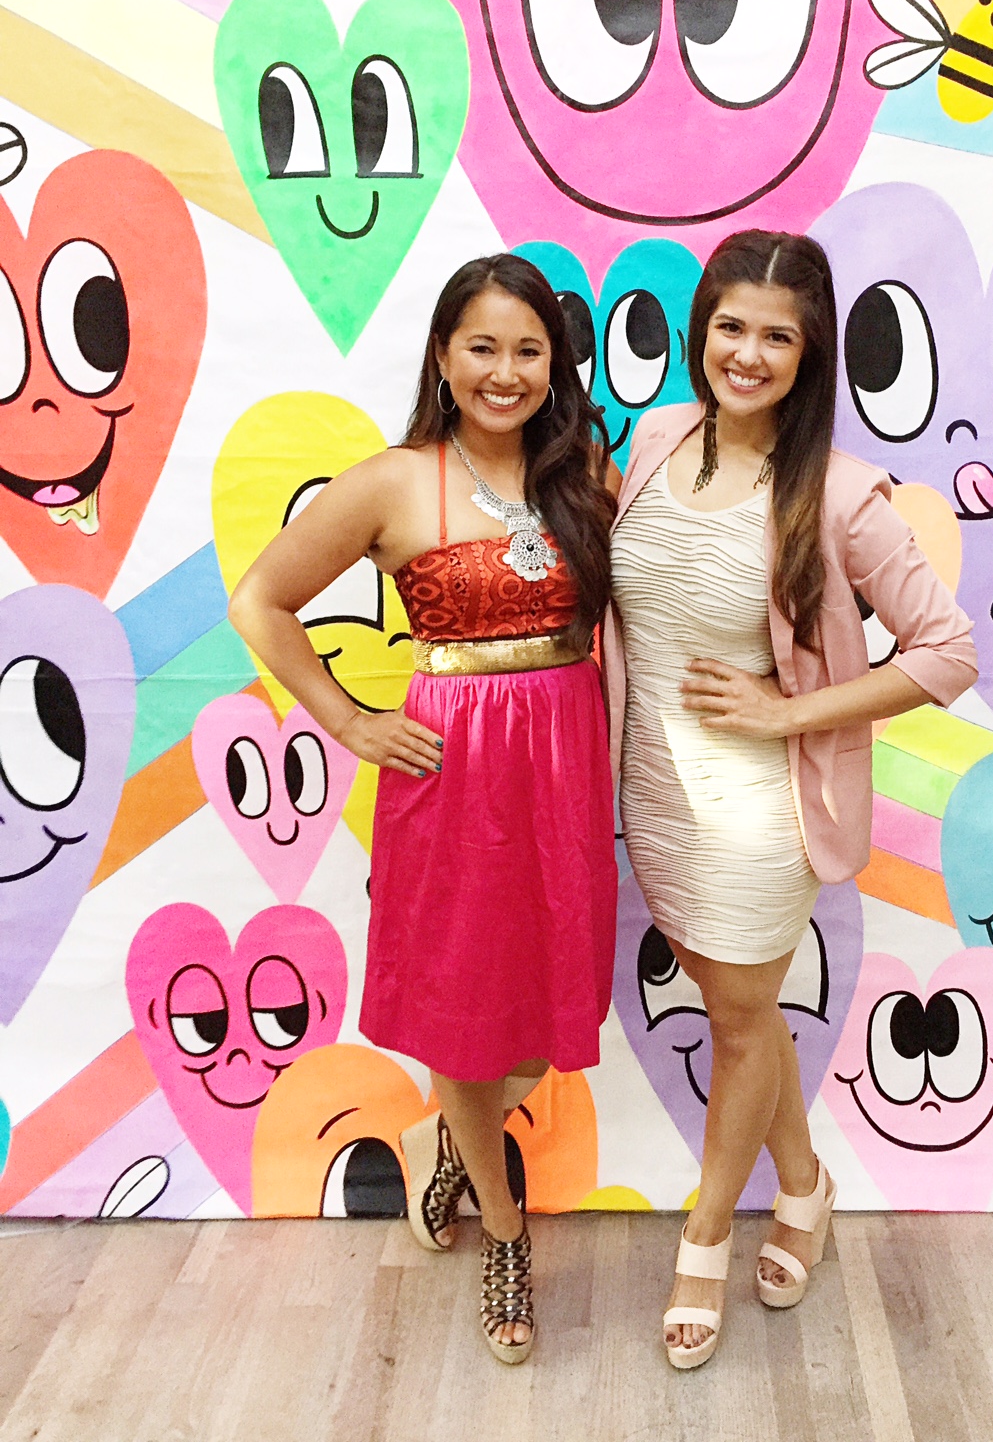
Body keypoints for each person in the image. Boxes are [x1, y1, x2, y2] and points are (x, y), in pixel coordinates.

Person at [228, 253, 620, 1365]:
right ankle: (504, 1229)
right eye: (482, 347)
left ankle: (452, 1144)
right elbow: (261, 601)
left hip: (564, 765)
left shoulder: (582, 469)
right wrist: (349, 722)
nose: (505, 371)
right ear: (444, 356)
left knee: (551, 999)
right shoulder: (393, 480)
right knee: (460, 1002)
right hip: (451, 772)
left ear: (556, 364)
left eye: (529, 350)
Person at [605, 230, 977, 1370]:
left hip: (759, 810)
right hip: (653, 788)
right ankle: (806, 1184)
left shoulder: (844, 494)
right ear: (700, 329)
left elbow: (947, 651)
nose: (748, 354)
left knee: (736, 1018)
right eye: (731, 326)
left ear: (812, 353)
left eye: (779, 335)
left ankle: (706, 1236)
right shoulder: (656, 437)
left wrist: (788, 713)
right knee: (745, 1011)